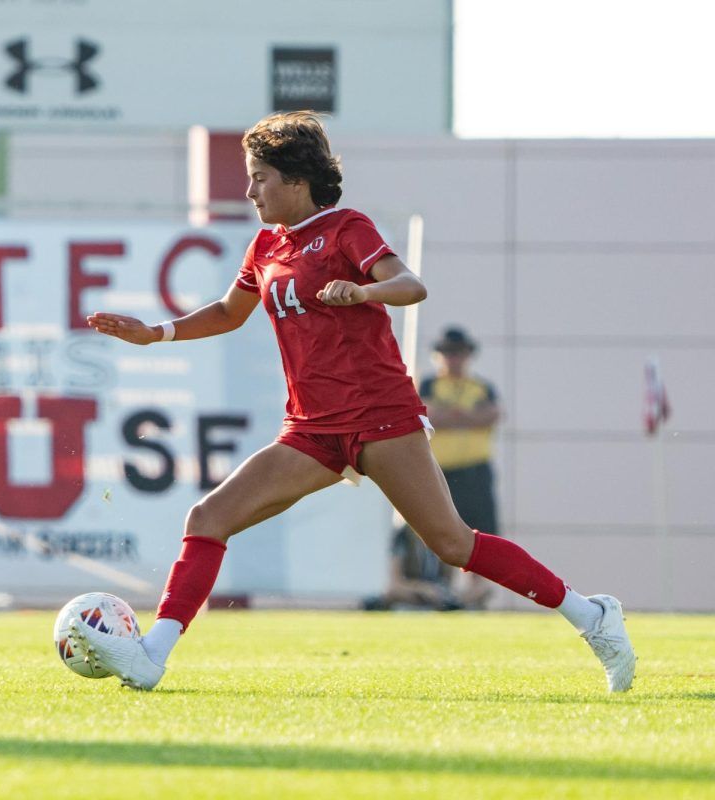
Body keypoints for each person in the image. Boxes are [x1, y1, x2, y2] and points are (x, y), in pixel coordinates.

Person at [72, 110, 635, 693]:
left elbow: (411, 284)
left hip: (380, 416)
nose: (250, 190)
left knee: (450, 543)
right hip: (310, 429)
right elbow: (226, 313)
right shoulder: (266, 244)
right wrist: (154, 333)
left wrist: (363, 289)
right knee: (208, 518)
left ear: (296, 179)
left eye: (260, 176)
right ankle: (151, 656)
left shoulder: (347, 228)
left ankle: (593, 616)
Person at [421, 326, 502, 609]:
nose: (453, 359)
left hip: (475, 471)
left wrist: (452, 417)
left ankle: (474, 592)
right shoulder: (428, 384)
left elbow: (491, 415)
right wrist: (466, 417)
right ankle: (441, 591)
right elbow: (428, 415)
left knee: (481, 531)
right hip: (441, 471)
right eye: (448, 353)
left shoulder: (481, 386)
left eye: (459, 353)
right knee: (441, 530)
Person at [361, 526, 462, 612]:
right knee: (392, 593)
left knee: (463, 595)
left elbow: (451, 580)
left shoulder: (441, 534)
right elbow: (395, 584)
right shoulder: (403, 535)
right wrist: (424, 589)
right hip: (413, 593)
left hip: (438, 594)